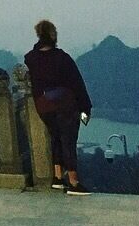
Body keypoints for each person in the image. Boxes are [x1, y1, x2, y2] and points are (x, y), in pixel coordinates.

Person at [24, 19, 93, 195]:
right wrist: (86, 107)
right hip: (65, 105)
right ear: (53, 35)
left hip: (44, 106)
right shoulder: (62, 59)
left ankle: (57, 178)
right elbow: (77, 84)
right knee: (68, 140)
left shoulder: (32, 59)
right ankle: (73, 182)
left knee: (56, 138)